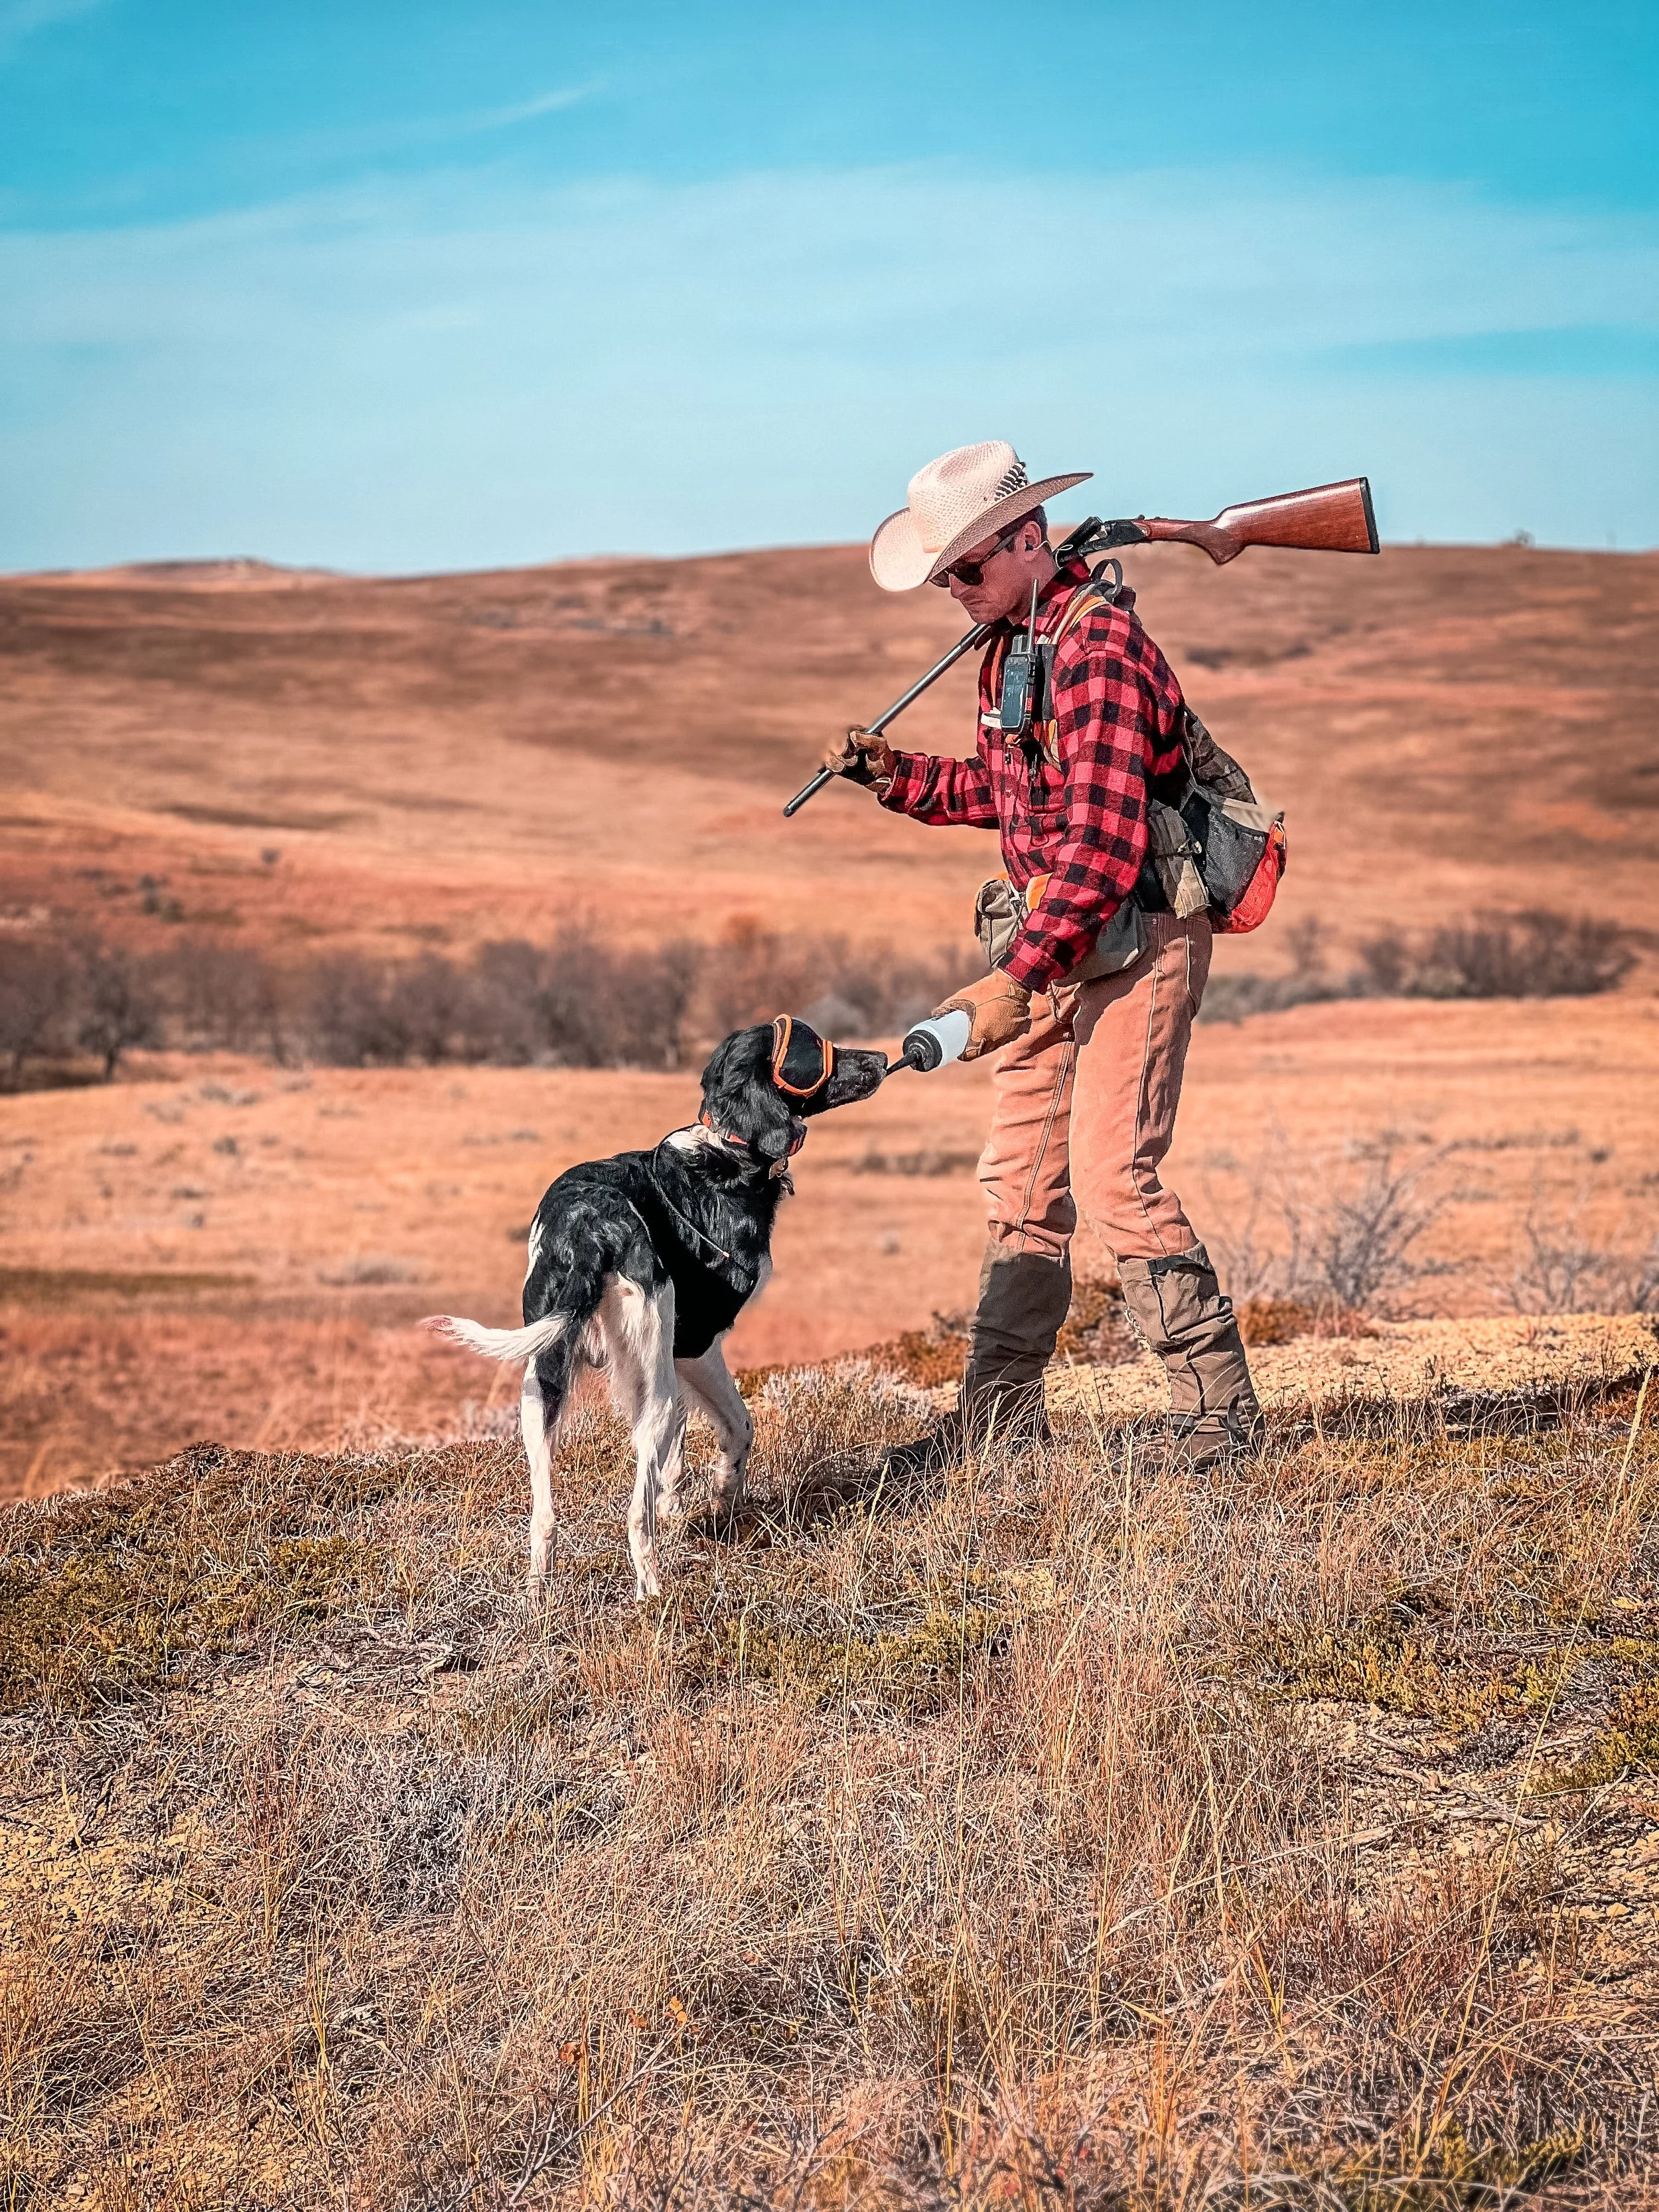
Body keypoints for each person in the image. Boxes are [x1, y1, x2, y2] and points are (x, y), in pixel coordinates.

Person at [821, 439, 1262, 1473]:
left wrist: (1012, 979)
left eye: (965, 570)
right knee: (1019, 1185)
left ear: (1026, 539)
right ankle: (1000, 1424)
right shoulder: (1009, 645)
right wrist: (895, 777)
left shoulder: (1096, 647)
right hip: (1058, 935)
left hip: (1138, 933)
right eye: (942, 577)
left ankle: (1219, 1423)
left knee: (1115, 1181)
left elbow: (1105, 845)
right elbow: (1004, 796)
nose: (952, 590)